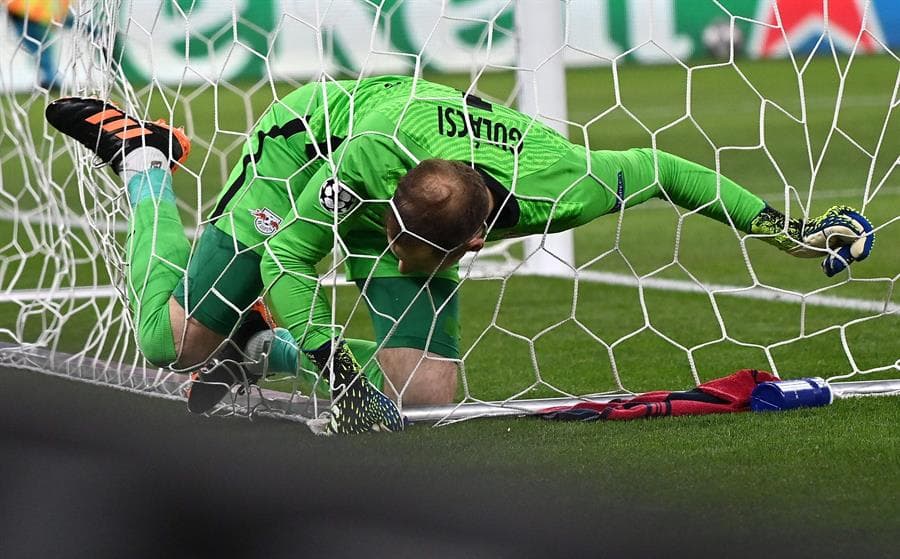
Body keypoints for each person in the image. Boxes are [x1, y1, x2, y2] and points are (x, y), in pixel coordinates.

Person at [45, 76, 875, 434]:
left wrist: (785, 228)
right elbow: (291, 255)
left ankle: (263, 345)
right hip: (298, 156)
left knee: (424, 402)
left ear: (477, 242)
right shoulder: (362, 165)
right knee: (170, 341)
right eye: (396, 242)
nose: (397, 257)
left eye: (415, 253)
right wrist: (338, 365)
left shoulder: (564, 185)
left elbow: (667, 170)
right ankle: (144, 157)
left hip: (411, 199)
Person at [5, 0, 69, 89]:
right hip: (24, 13)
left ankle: (51, 79)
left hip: (34, 15)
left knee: (41, 49)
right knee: (41, 49)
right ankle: (50, 79)